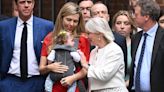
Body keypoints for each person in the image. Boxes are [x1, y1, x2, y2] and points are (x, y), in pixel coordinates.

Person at [0, 0, 54, 92]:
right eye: (22, 2)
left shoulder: (47, 26)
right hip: (9, 81)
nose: (26, 5)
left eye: (29, 2)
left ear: (33, 4)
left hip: (37, 81)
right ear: (16, 5)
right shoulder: (4, 26)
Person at [39, 2, 89, 92]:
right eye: (68, 20)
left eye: (75, 21)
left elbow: (85, 69)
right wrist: (49, 67)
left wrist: (73, 78)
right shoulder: (49, 38)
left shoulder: (82, 39)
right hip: (53, 87)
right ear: (61, 18)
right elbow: (41, 69)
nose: (71, 24)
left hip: (74, 87)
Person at [79, 17, 128, 92]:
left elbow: (105, 75)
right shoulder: (93, 51)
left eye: (89, 33)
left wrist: (86, 65)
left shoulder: (114, 50)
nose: (87, 37)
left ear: (99, 33)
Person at [128, 0, 164, 92]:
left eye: (136, 14)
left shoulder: (162, 37)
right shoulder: (136, 38)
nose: (133, 17)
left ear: (146, 17)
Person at [91, 2, 128, 76]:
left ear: (108, 17)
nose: (100, 15)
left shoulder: (119, 39)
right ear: (91, 18)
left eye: (103, 12)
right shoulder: (89, 39)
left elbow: (123, 68)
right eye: (96, 13)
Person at [112, 10, 137, 86]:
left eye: (126, 23)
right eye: (118, 23)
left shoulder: (136, 44)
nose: (122, 27)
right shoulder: (109, 45)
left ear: (132, 27)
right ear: (113, 27)